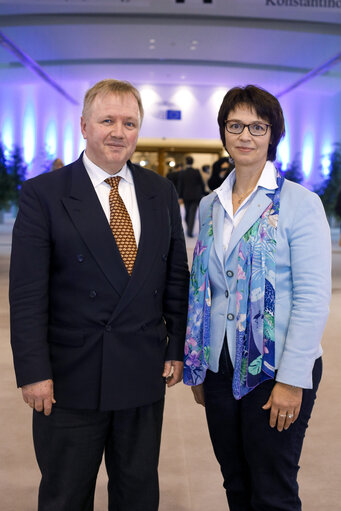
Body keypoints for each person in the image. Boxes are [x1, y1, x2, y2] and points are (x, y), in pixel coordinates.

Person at [9, 79, 189, 511]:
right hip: (70, 379)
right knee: (66, 495)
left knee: (137, 490)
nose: (118, 131)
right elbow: (28, 293)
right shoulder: (44, 195)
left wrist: (178, 346)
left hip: (142, 372)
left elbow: (176, 277)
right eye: (107, 120)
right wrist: (33, 370)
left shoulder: (160, 191)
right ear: (84, 126)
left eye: (129, 122)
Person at [184, 85, 331, 511]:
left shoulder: (300, 204)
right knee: (235, 482)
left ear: (272, 134)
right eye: (235, 125)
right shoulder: (210, 206)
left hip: (275, 366)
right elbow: (208, 287)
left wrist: (292, 378)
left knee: (273, 488)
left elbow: (311, 296)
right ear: (224, 133)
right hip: (219, 365)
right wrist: (202, 364)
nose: (245, 135)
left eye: (257, 126)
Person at [178, 155, 205, 237]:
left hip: (186, 196)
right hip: (195, 196)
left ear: (186, 162)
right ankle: (190, 229)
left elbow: (180, 185)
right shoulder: (196, 172)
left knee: (187, 213)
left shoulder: (183, 172)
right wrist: (202, 192)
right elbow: (201, 183)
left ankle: (189, 230)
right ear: (192, 162)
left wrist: (180, 196)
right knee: (191, 214)